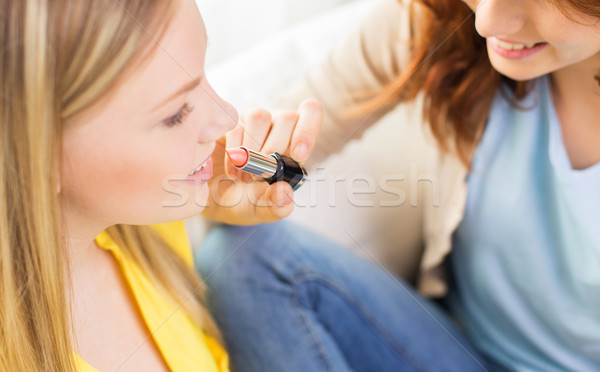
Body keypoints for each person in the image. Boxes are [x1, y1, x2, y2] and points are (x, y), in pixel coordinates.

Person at [196, 0, 600, 371]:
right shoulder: (445, 18)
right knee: (243, 259)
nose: (486, 20)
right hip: (458, 353)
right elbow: (290, 140)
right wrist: (231, 186)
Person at [0, 0, 322, 371]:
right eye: (175, 115)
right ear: (36, 158)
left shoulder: (151, 227)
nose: (228, 116)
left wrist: (211, 196)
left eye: (204, 74)